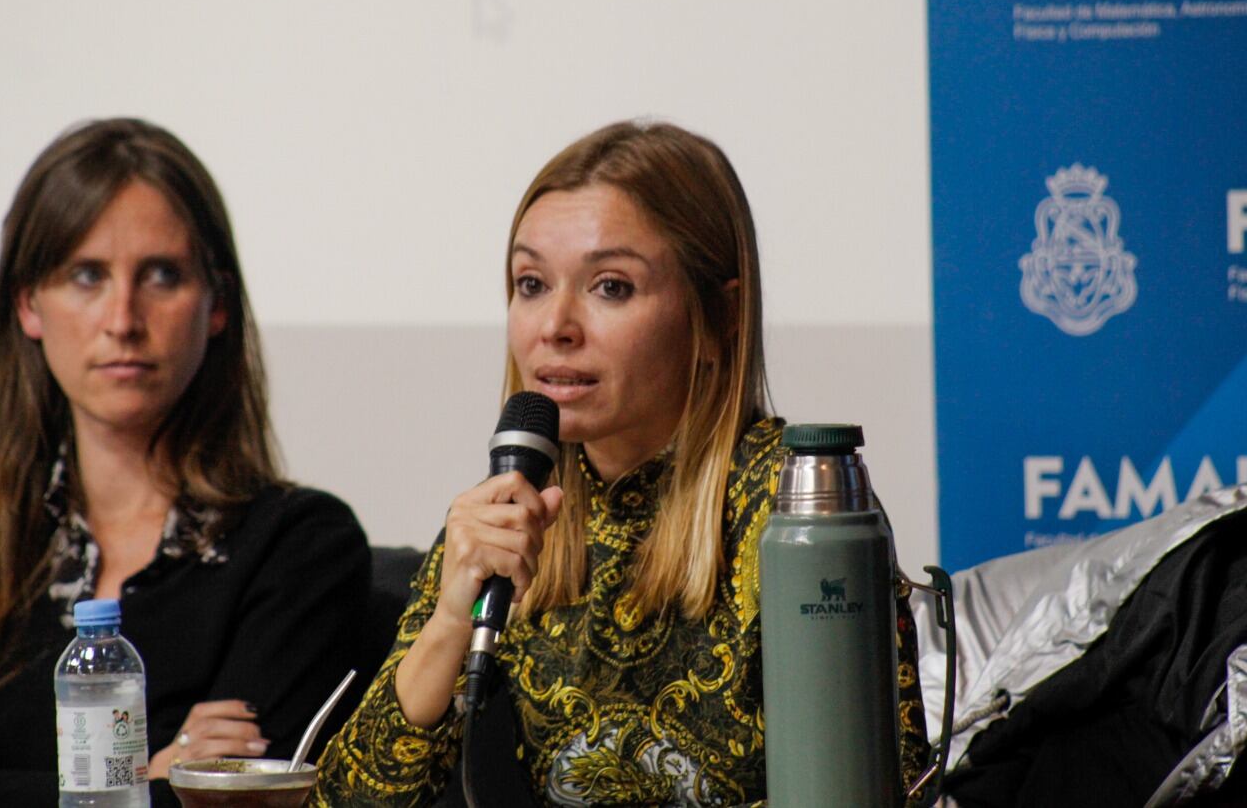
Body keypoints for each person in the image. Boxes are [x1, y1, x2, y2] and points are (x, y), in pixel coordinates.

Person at [313, 120, 930, 806]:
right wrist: (451, 620)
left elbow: (873, 787)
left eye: (610, 286)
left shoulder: (797, 508)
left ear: (719, 316)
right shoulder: (511, 512)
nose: (554, 326)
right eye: (530, 282)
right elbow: (344, 800)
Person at [0, 118, 371, 804]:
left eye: (161, 274)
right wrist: (147, 776)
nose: (123, 318)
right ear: (29, 305)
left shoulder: (300, 547)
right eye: (87, 275)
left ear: (216, 303)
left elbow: (239, 802)